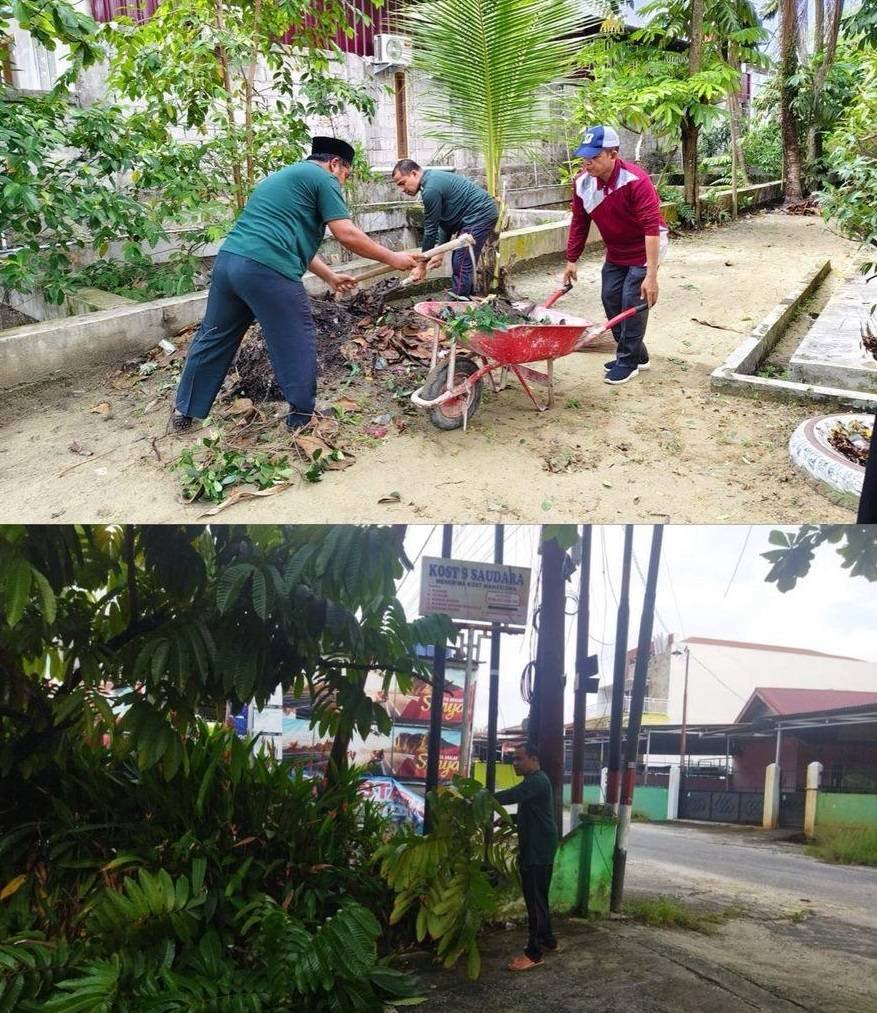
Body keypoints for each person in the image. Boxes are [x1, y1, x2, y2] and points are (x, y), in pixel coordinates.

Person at [171, 137, 420, 434]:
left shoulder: (282, 178)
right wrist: (394, 258)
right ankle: (302, 417)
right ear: (335, 163)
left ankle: (185, 411)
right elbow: (347, 234)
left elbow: (289, 237)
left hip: (229, 264)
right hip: (267, 270)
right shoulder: (324, 177)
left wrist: (329, 276)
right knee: (294, 340)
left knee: (214, 336)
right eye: (346, 175)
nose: (343, 181)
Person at [562, 125, 669, 385]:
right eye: (585, 158)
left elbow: (651, 229)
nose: (588, 164)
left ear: (613, 154)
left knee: (631, 302)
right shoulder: (582, 184)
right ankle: (637, 354)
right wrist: (571, 259)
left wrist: (651, 276)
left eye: (595, 158)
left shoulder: (635, 180)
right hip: (617, 250)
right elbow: (579, 223)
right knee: (610, 299)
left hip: (646, 247)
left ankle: (628, 361)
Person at [493, 742, 559, 971]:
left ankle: (533, 953)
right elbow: (533, 812)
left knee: (534, 900)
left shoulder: (537, 781)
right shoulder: (534, 782)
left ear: (533, 758)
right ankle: (549, 940)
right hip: (540, 845)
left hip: (538, 849)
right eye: (513, 759)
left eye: (519, 759)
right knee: (540, 897)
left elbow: (514, 795)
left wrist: (484, 797)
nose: (515, 763)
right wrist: (509, 819)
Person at [391, 159, 499, 299]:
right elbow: (445, 222)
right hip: (474, 216)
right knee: (461, 259)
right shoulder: (430, 181)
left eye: (402, 183)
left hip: (479, 214)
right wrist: (439, 253)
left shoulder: (430, 189)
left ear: (414, 173)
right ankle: (468, 297)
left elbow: (430, 231)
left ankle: (458, 304)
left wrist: (422, 266)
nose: (402, 189)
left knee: (461, 261)